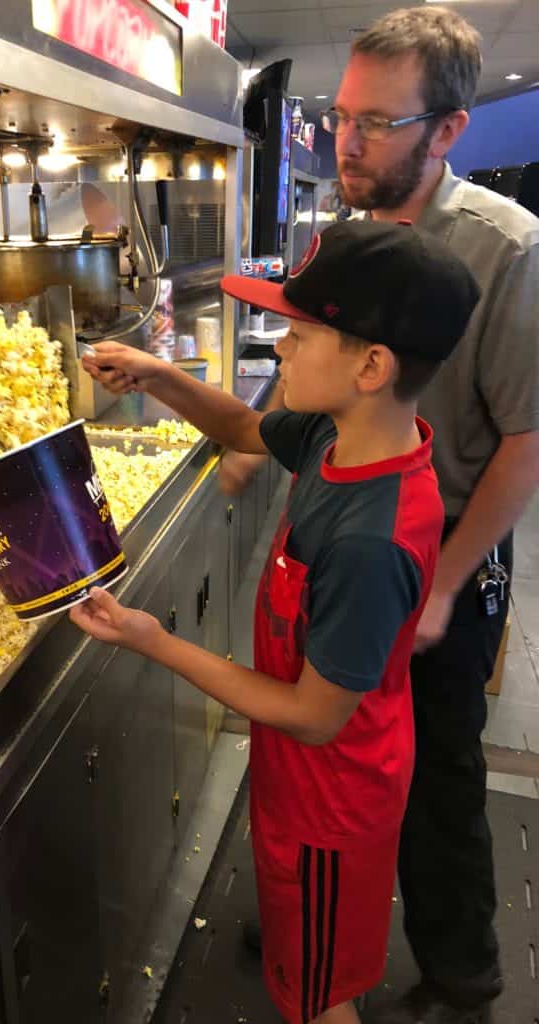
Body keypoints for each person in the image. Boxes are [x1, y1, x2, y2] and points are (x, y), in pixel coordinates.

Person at [72, 219, 481, 1024]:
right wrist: (156, 372)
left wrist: (157, 641)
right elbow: (240, 427)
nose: (278, 352)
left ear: (371, 365)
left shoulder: (373, 537)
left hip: (333, 801)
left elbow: (314, 714)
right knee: (302, 953)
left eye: (297, 335)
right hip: (298, 779)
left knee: (319, 997)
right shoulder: (341, 436)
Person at [323, 7, 539, 1021]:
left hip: (446, 547)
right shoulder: (350, 229)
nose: (347, 143)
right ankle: (322, 918)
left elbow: (529, 438)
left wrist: (448, 583)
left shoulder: (507, 251)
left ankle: (462, 972)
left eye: (375, 123)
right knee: (337, 752)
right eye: (339, 117)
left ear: (447, 131)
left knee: (436, 770)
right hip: (350, 539)